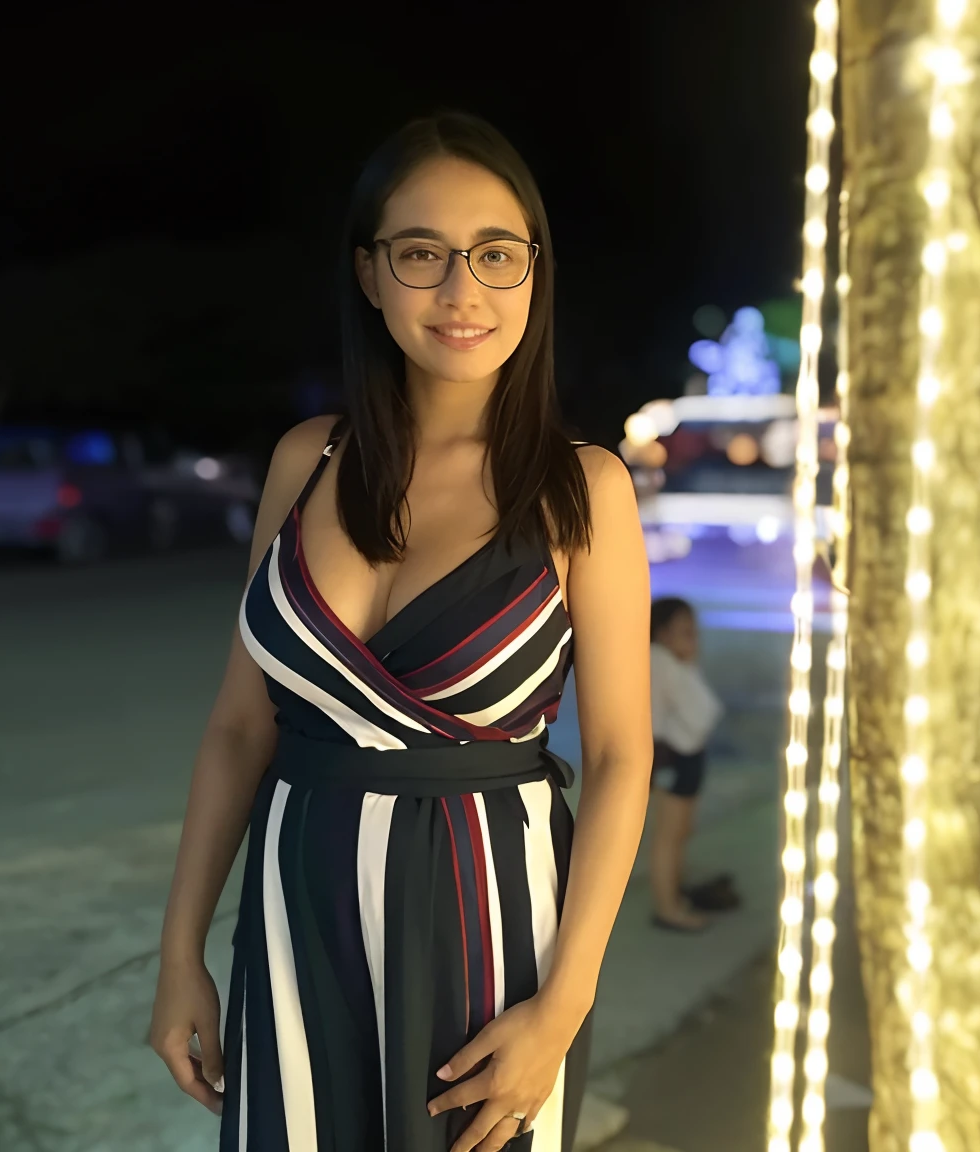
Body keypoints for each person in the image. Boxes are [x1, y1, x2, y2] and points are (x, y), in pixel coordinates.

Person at [148, 112, 652, 1152]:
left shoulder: (581, 490)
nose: (461, 290)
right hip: (296, 920)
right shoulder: (306, 462)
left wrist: (560, 1007)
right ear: (370, 276)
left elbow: (618, 757)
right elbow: (243, 729)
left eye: (495, 254)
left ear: (534, 276)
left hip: (487, 927)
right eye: (422, 254)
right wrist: (180, 952)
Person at [648, 597, 735, 931]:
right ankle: (668, 909)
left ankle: (674, 895)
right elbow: (703, 712)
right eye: (683, 629)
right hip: (673, 755)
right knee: (669, 836)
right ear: (663, 631)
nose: (691, 635)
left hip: (684, 755)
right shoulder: (661, 661)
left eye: (692, 629)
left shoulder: (672, 661)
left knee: (679, 832)